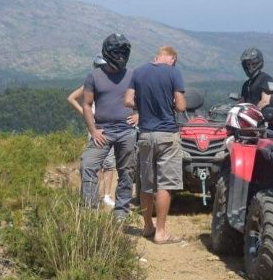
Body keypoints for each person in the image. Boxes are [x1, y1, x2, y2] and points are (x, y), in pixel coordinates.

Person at [124, 46, 186, 244]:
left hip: (145, 134)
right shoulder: (173, 72)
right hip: (167, 134)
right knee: (165, 184)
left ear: (157, 55)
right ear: (172, 59)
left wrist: (141, 106)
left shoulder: (138, 72)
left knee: (146, 183)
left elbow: (127, 101)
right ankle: (161, 232)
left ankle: (147, 227)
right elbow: (181, 106)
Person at [80, 34, 137, 218]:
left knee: (127, 171)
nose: (120, 56)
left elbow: (144, 100)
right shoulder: (94, 76)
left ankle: (121, 213)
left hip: (127, 130)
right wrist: (93, 130)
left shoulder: (132, 75)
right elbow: (87, 104)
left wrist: (139, 115)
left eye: (123, 52)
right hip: (102, 130)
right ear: (107, 52)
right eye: (116, 52)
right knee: (87, 164)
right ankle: (90, 211)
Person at [68, 55, 119, 207]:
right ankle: (100, 194)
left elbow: (71, 98)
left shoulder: (100, 83)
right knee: (101, 162)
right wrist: (85, 113)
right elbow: (71, 98)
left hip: (104, 126)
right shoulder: (92, 84)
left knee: (108, 163)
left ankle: (105, 195)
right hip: (97, 127)